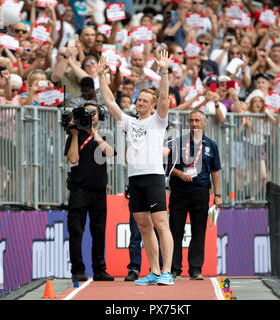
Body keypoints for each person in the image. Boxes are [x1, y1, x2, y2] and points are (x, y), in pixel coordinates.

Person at [98, 50, 175, 286]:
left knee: (161, 224)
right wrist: (101, 76)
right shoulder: (129, 122)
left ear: (151, 105)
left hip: (153, 177)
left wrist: (163, 71)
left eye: (144, 100)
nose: (139, 103)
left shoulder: (158, 120)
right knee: (143, 226)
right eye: (138, 100)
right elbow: (110, 102)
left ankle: (167, 271)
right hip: (135, 179)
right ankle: (152, 271)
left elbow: (164, 98)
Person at [166, 109, 222, 280]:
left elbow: (215, 171)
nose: (194, 124)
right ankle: (174, 269)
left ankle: (195, 269)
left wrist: (217, 195)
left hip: (201, 194)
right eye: (191, 120)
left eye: (197, 120)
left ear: (204, 122)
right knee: (176, 231)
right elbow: (168, 168)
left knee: (199, 232)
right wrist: (180, 174)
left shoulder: (211, 145)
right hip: (179, 193)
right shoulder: (177, 143)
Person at [64, 101, 116, 282]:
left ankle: (100, 269)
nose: (90, 116)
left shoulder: (105, 135)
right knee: (76, 230)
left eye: (93, 112)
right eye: (86, 113)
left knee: (99, 231)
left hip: (99, 190)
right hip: (79, 189)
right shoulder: (74, 135)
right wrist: (75, 134)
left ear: (99, 116)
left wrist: (95, 135)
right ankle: (77, 269)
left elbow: (110, 154)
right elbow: (72, 159)